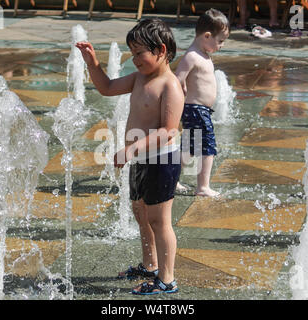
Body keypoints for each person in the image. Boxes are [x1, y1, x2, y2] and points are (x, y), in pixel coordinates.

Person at [76, 18, 184, 295]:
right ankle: (150, 265)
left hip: (161, 160)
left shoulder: (170, 86)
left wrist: (133, 148)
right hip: (140, 159)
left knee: (160, 220)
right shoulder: (139, 78)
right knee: (141, 213)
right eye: (132, 53)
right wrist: (92, 62)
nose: (134, 60)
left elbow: (169, 130)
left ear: (160, 50)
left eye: (139, 53)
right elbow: (107, 88)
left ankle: (167, 279)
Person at [175, 8, 229, 198]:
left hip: (198, 110)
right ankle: (203, 187)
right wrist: (181, 93)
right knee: (208, 147)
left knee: (189, 149)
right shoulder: (192, 56)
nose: (222, 45)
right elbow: (176, 80)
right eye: (220, 41)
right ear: (207, 36)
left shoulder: (203, 54)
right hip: (196, 110)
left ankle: (171, 179)